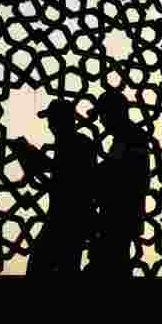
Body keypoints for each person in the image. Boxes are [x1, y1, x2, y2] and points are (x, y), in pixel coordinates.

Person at [11, 98, 97, 274]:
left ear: (63, 121)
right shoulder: (74, 143)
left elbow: (66, 183)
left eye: (52, 120)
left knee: (42, 265)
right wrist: (31, 157)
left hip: (68, 219)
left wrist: (30, 156)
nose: (50, 126)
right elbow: (58, 177)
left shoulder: (77, 144)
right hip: (66, 218)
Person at [85, 89, 149, 277]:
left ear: (115, 113)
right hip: (119, 217)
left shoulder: (132, 137)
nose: (101, 121)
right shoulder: (127, 137)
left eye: (103, 115)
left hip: (119, 217)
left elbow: (119, 174)